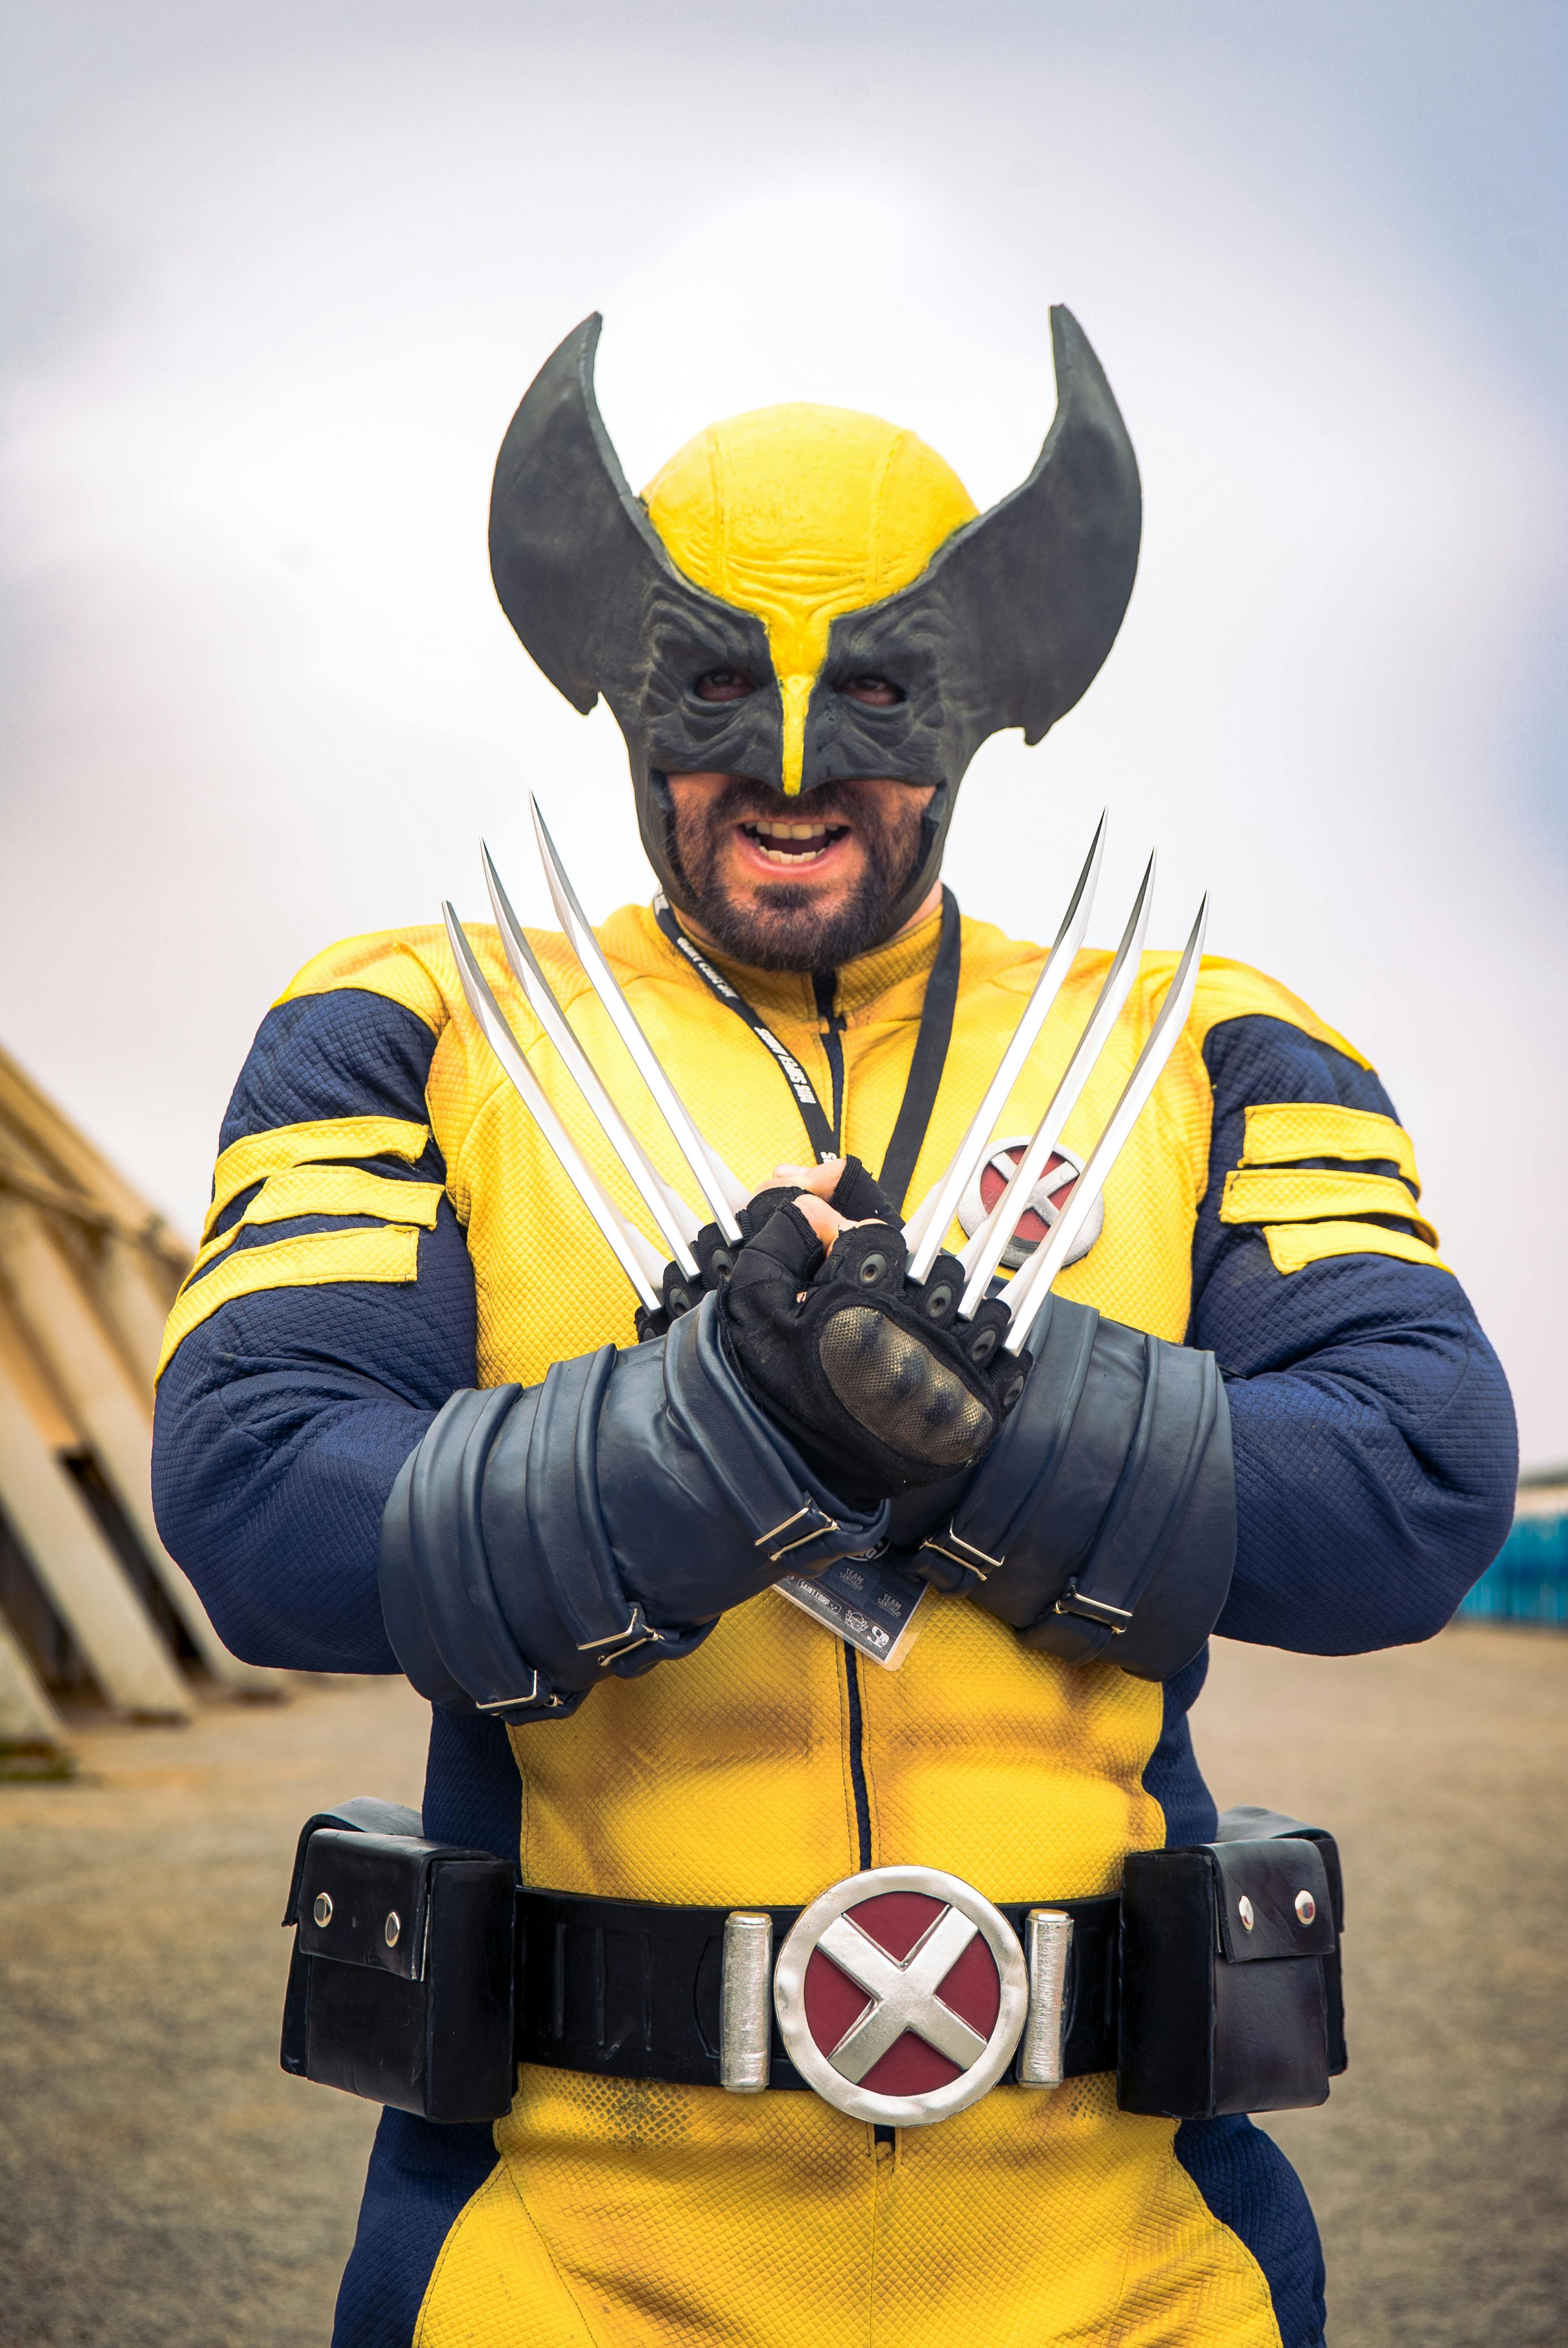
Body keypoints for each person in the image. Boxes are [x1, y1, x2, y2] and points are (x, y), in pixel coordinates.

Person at [151, 308, 1516, 2348]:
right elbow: (258, 1492)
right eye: (713, 691)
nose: (788, 771)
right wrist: (694, 1434)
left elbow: (1416, 1481)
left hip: (1136, 2259)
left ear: (978, 711)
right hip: (566, 2247)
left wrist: (985, 1418)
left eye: (875, 695)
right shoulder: (415, 1026)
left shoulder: (1210, 1044)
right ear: (620, 695)